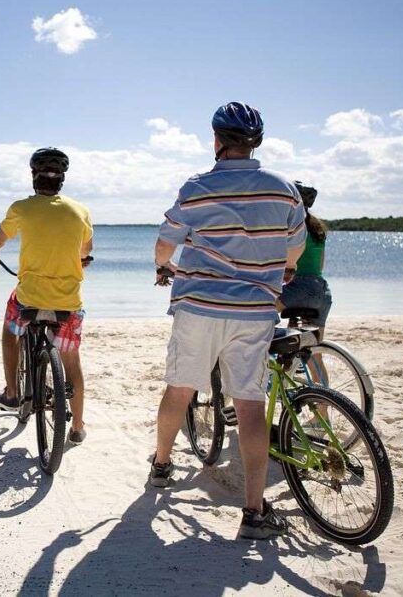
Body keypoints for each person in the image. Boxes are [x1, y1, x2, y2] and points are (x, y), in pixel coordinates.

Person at [150, 102, 307, 540]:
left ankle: (161, 466)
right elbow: (293, 249)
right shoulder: (283, 189)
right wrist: (281, 271)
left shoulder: (197, 187)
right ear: (256, 143)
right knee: (250, 405)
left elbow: (166, 244)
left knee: (180, 388)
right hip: (254, 313)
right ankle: (254, 512)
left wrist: (164, 268)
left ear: (216, 140)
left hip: (199, 306)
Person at [0, 148, 93, 444]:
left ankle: (12, 393)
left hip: (29, 298)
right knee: (72, 362)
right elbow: (85, 251)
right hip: (67, 300)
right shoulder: (79, 211)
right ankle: (77, 428)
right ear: (62, 180)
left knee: (9, 328)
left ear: (33, 177)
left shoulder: (21, 208)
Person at [280, 181, 332, 382]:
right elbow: (320, 264)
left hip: (301, 288)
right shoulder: (317, 228)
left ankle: (275, 358)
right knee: (315, 355)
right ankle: (323, 410)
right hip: (322, 291)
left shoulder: (293, 227)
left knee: (259, 310)